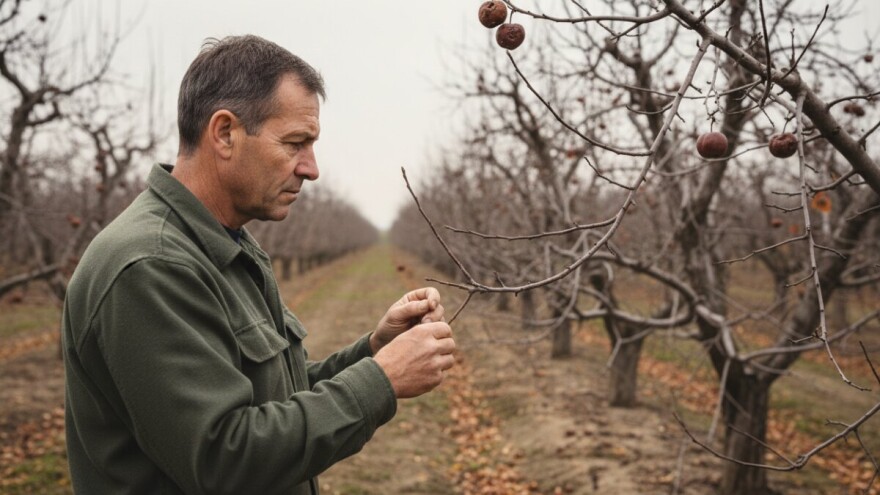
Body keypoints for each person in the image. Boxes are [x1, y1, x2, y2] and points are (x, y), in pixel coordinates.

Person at [61, 35, 456, 495]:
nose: (311, 169)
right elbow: (224, 459)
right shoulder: (153, 266)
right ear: (225, 133)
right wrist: (382, 379)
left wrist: (374, 349)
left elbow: (280, 396)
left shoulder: (228, 245)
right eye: (295, 143)